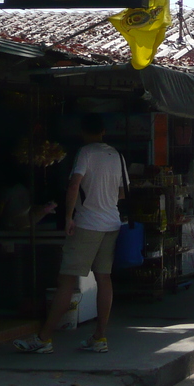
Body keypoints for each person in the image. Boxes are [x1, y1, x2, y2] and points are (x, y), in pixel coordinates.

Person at [14, 114, 125, 355]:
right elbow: (122, 193)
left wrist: (68, 216)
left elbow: (74, 184)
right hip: (111, 223)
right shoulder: (116, 155)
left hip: (88, 224)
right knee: (104, 279)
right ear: (104, 131)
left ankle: (44, 338)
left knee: (66, 281)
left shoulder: (85, 153)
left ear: (83, 132)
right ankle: (99, 337)